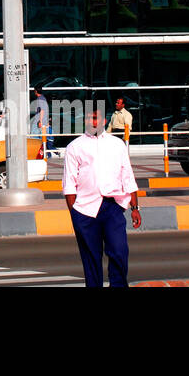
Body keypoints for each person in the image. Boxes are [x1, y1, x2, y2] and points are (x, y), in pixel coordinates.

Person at [63, 108, 141, 288]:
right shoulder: (75, 146)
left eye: (96, 117)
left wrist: (135, 208)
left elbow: (127, 176)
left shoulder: (117, 144)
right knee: (91, 260)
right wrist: (74, 215)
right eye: (89, 117)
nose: (92, 121)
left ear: (104, 121)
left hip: (113, 207)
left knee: (119, 252)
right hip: (85, 210)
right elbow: (69, 184)